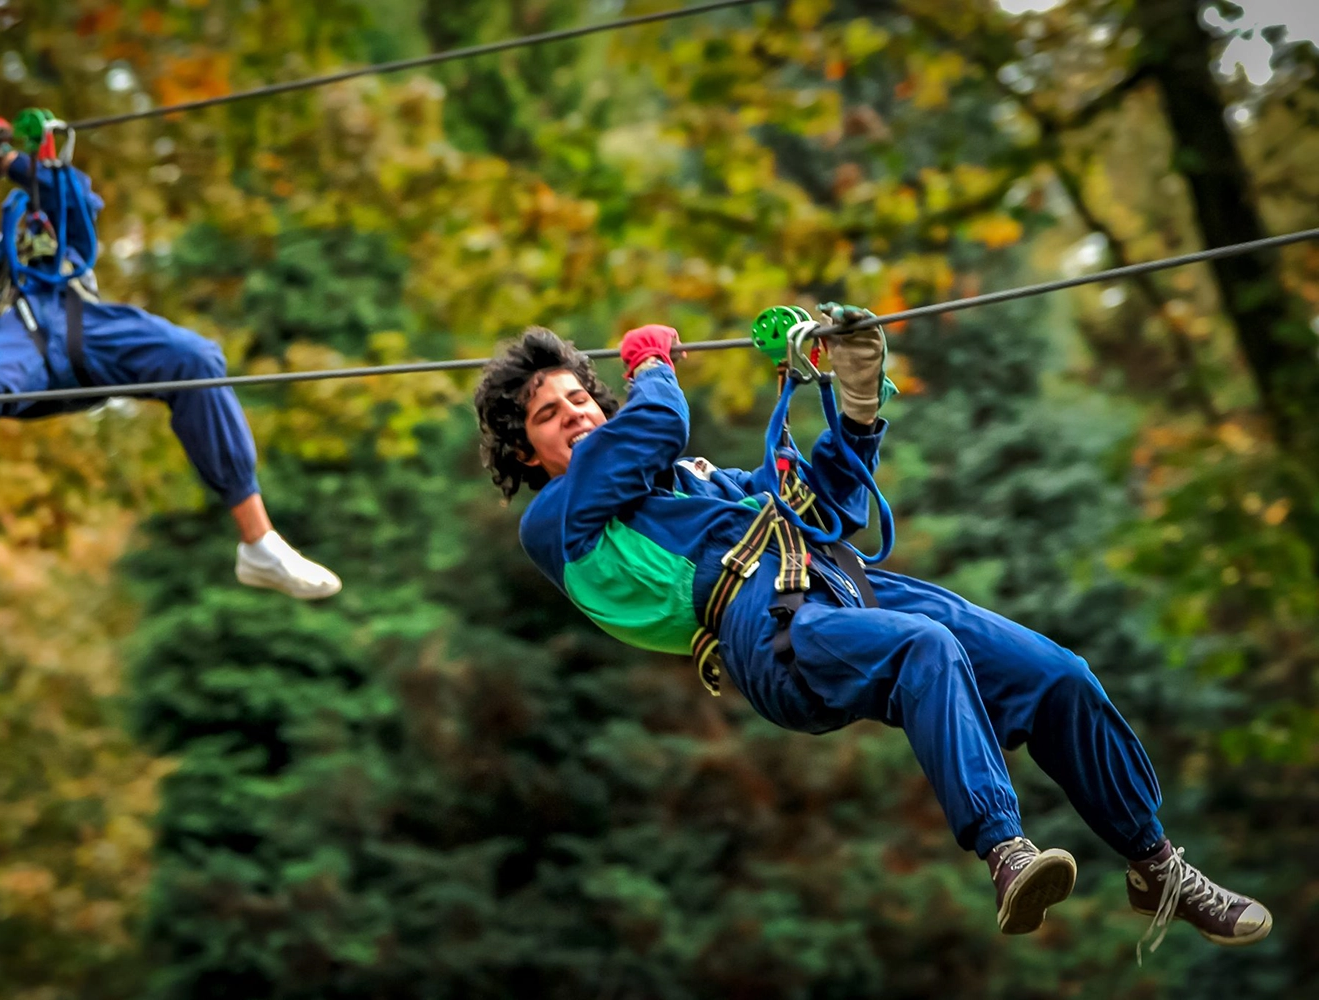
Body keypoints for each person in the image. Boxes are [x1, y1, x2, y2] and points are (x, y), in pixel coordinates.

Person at [474, 320, 1271, 954]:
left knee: (1057, 676)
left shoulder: (698, 481)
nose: (576, 413)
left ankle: (1156, 867)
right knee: (922, 650)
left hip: (839, 582)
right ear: (525, 451)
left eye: (581, 398)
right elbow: (656, 422)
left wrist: (856, 411)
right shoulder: (558, 522)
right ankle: (1005, 850)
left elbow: (822, 506)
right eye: (550, 413)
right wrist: (653, 365)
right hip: (766, 625)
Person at [0, 113, 341, 653]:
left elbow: (80, 209)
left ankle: (258, 541)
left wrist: (14, 163)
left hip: (81, 324)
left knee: (195, 356)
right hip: (7, 347)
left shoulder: (7, 241)